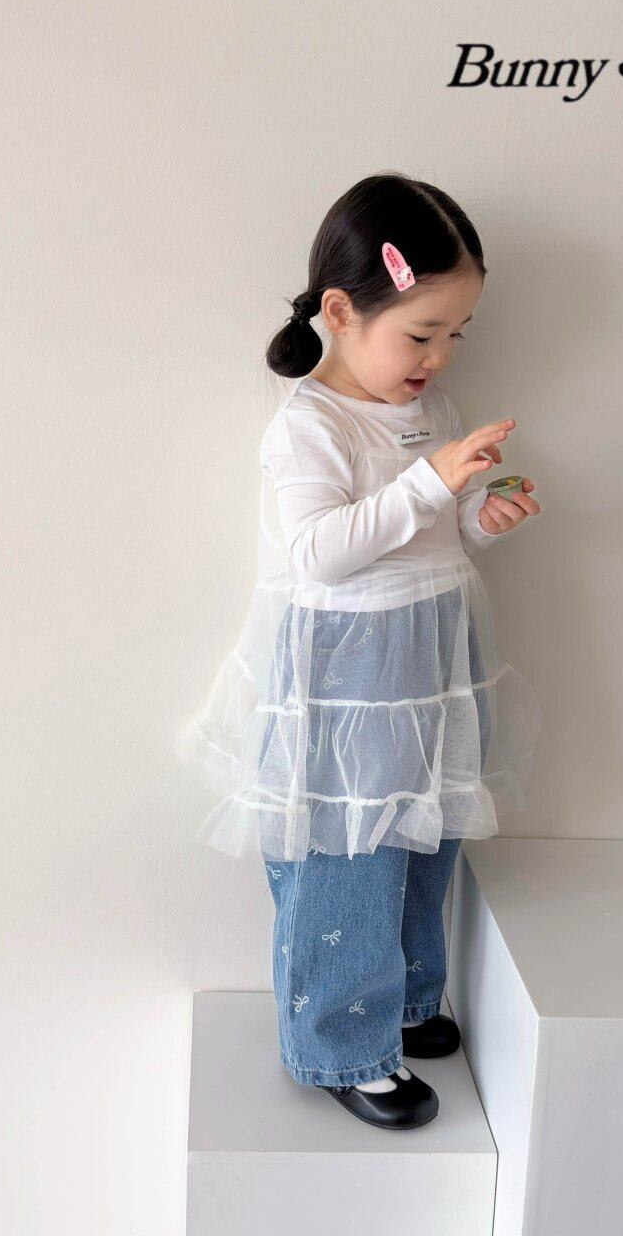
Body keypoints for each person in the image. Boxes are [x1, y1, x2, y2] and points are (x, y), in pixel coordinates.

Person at [174, 173, 542, 1130]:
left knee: (425, 830)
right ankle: (339, 1042)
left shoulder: (432, 408)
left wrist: (480, 514)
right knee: (351, 852)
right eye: (420, 334)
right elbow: (320, 554)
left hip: (430, 655)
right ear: (341, 312)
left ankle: (408, 998)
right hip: (349, 671)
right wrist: (430, 484)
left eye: (454, 334)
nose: (438, 356)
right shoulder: (311, 425)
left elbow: (432, 531)